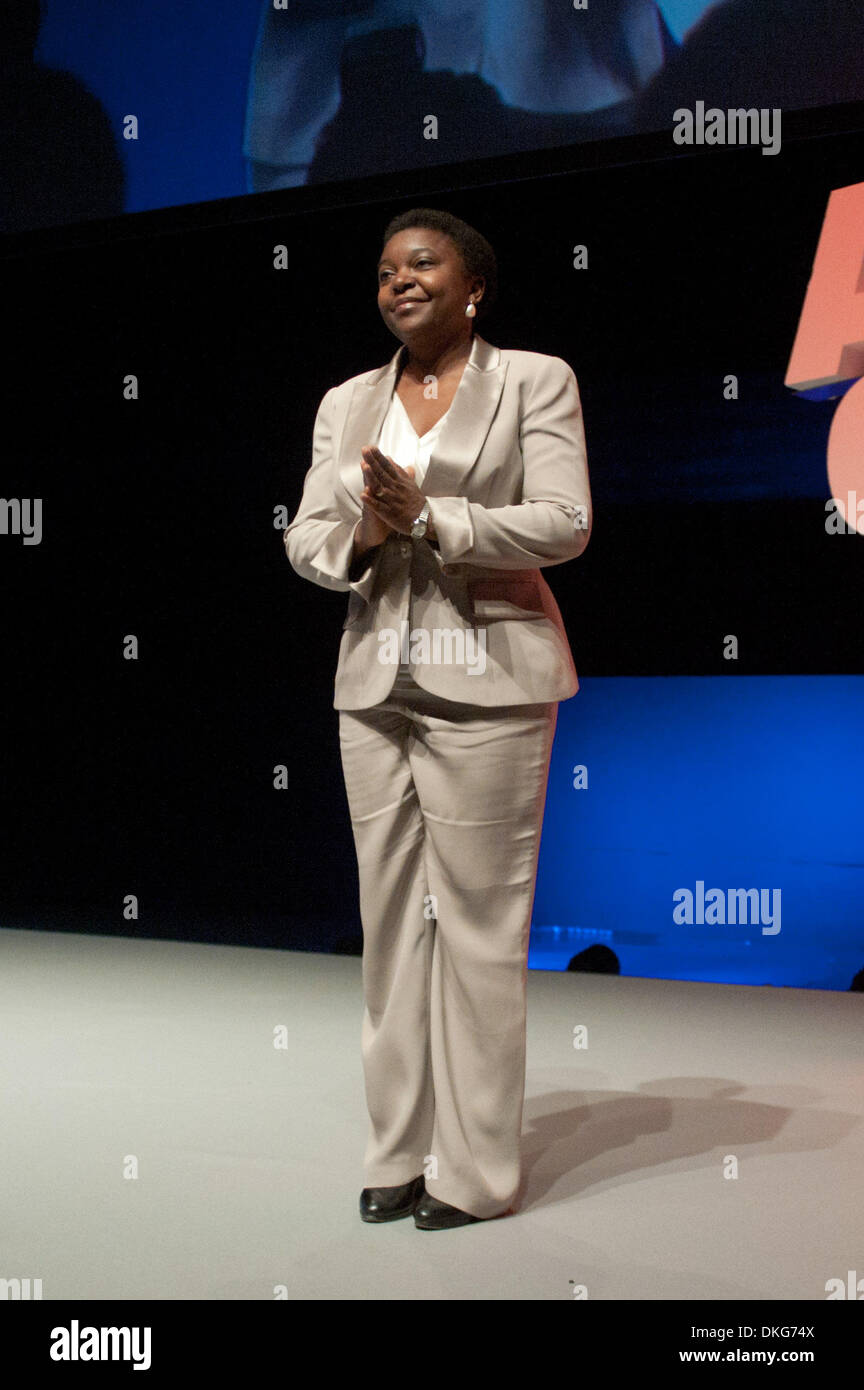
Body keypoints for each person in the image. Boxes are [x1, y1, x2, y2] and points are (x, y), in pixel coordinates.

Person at [283, 207, 592, 1228]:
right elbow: (307, 538)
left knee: (479, 931)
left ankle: (477, 1171)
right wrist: (367, 531)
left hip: (490, 679)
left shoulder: (535, 379)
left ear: (474, 288)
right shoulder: (346, 401)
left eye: (422, 263)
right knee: (391, 934)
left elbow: (565, 522)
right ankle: (395, 1152)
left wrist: (435, 518)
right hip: (374, 685)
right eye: (383, 271)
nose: (399, 281)